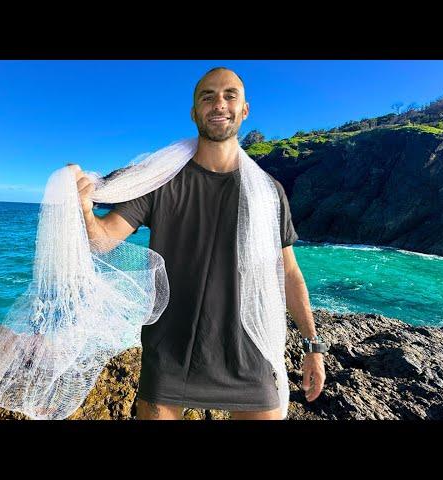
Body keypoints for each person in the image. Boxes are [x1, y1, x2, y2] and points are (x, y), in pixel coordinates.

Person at [68, 67, 325, 420]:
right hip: (171, 352)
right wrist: (83, 209)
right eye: (208, 96)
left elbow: (290, 273)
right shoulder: (160, 180)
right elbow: (102, 240)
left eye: (229, 95)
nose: (219, 103)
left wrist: (313, 346)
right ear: (194, 113)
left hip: (251, 352)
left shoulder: (268, 192)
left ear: (244, 109)